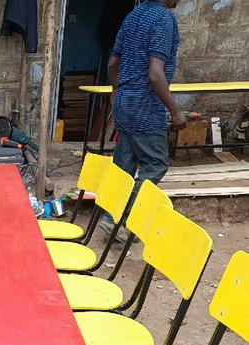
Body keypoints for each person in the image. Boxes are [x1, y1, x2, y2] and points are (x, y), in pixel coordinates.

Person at [101, 0, 187, 238]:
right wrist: (175, 110)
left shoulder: (133, 15)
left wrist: (117, 91)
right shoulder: (163, 19)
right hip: (145, 104)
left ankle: (111, 217)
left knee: (124, 165)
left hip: (125, 99)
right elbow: (155, 73)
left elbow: (113, 63)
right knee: (156, 163)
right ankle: (122, 218)